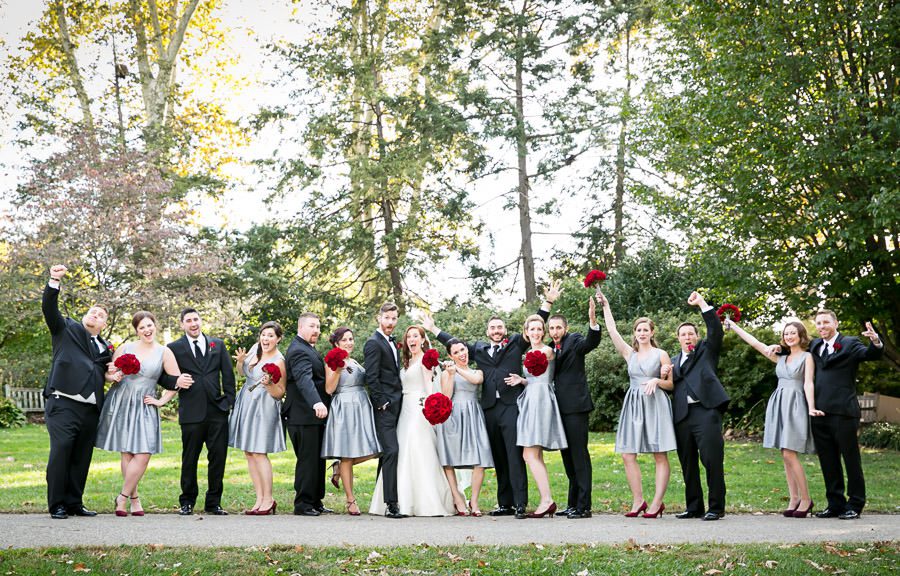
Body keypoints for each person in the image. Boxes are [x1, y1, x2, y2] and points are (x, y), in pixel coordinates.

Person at [424, 289, 552, 519]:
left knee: (514, 455)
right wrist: (434, 330)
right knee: (499, 456)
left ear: (505, 330)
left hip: (511, 407)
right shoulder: (479, 350)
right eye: (492, 328)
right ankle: (505, 503)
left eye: (499, 327)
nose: (496, 331)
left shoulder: (515, 343)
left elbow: (534, 325)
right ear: (487, 331)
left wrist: (548, 302)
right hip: (489, 409)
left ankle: (520, 503)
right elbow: (455, 345)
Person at [42, 264, 117, 519]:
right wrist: (54, 281)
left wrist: (111, 375)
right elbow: (49, 309)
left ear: (104, 325)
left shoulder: (105, 348)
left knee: (81, 456)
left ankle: (75, 502)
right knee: (61, 450)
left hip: (90, 409)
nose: (96, 314)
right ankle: (57, 504)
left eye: (101, 314)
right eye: (93, 311)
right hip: (63, 403)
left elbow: (101, 373)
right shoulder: (65, 329)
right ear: (85, 316)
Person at [725, 318, 820, 518]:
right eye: (786, 333)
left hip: (795, 405)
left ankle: (806, 499)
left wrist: (811, 407)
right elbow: (754, 343)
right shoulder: (780, 358)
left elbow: (808, 383)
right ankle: (793, 498)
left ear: (801, 335)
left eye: (793, 332)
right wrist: (733, 326)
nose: (789, 336)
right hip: (779, 403)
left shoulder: (807, 357)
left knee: (789, 453)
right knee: (784, 455)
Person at [597, 293, 675, 519]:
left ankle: (657, 503)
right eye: (638, 330)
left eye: (645, 330)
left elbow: (670, 385)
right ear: (634, 334)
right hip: (633, 405)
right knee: (627, 454)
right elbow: (612, 331)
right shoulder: (628, 353)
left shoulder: (662, 354)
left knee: (659, 455)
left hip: (655, 405)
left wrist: (656, 381)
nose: (642, 333)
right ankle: (638, 500)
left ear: (652, 333)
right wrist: (606, 306)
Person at [96, 311, 181, 516]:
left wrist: (161, 401)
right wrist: (113, 376)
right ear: (137, 330)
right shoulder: (126, 348)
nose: (147, 330)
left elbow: (176, 381)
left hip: (145, 403)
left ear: (155, 326)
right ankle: (133, 499)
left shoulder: (164, 352)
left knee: (143, 454)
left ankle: (122, 497)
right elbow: (109, 374)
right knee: (127, 452)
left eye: (149, 325)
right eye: (142, 327)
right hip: (122, 401)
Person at [369, 325, 455, 516]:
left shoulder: (426, 359)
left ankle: (425, 501)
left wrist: (429, 403)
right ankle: (401, 499)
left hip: (418, 408)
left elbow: (428, 385)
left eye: (416, 336)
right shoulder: (407, 361)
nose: (411, 339)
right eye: (409, 337)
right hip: (404, 410)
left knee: (416, 448)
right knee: (402, 450)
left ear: (423, 340)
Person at [806, 310, 883, 520]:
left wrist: (875, 340)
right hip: (819, 412)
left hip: (844, 412)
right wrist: (780, 349)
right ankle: (835, 504)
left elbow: (870, 355)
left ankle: (855, 504)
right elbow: (796, 352)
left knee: (851, 459)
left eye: (825, 322)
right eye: (818, 323)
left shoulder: (850, 343)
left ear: (836, 323)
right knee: (828, 461)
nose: (821, 326)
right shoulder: (815, 346)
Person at [165, 307, 235, 516]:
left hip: (217, 411)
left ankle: (213, 502)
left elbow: (228, 375)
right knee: (190, 459)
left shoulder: (217, 344)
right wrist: (176, 380)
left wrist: (229, 401)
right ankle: (187, 501)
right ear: (182, 324)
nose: (193, 323)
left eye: (196, 319)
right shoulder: (173, 348)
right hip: (191, 412)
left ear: (200, 321)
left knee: (218, 458)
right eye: (188, 320)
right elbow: (162, 377)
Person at [665, 291, 729, 521]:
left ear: (697, 336)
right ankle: (694, 507)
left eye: (691, 333)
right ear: (678, 339)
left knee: (712, 460)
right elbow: (669, 386)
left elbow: (715, 329)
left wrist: (702, 303)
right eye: (683, 334)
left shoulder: (706, 351)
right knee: (688, 463)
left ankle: (716, 507)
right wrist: (663, 377)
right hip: (682, 416)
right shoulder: (672, 362)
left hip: (706, 412)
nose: (687, 337)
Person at [544, 291, 602, 519]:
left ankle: (584, 506)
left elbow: (591, 342)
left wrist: (593, 321)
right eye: (552, 328)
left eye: (559, 328)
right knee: (567, 458)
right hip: (558, 410)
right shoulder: (549, 349)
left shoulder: (575, 340)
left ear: (565, 329)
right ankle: (572, 503)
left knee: (579, 456)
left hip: (576, 408)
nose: (555, 332)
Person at [503, 314, 567, 518]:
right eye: (532, 329)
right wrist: (521, 380)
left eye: (540, 329)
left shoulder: (546, 351)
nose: (536, 332)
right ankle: (545, 499)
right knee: (534, 453)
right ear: (526, 332)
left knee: (528, 454)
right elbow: (533, 377)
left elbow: (546, 366)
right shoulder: (530, 352)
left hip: (541, 400)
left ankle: (547, 500)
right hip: (530, 397)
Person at [321, 327, 381, 516]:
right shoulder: (332, 360)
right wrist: (337, 371)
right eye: (345, 340)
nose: (349, 342)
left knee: (374, 448)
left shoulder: (353, 360)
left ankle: (339, 466)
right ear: (336, 343)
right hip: (344, 407)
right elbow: (329, 389)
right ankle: (350, 499)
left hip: (362, 405)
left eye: (351, 339)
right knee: (347, 453)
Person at [229, 321, 287, 516]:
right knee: (249, 452)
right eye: (263, 335)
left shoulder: (279, 361)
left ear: (278, 339)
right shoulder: (255, 350)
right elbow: (243, 373)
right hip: (247, 401)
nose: (266, 339)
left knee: (259, 451)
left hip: (264, 405)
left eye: (270, 336)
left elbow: (280, 393)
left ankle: (269, 499)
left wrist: (269, 383)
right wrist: (240, 361)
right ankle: (259, 498)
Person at [435, 338, 494, 516]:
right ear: (450, 355)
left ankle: (474, 501)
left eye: (463, 350)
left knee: (481, 458)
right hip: (453, 416)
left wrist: (456, 368)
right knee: (449, 460)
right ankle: (458, 499)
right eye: (456, 352)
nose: (462, 354)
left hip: (473, 415)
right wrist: (451, 374)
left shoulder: (477, 371)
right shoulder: (448, 373)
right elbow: (446, 396)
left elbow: (476, 381)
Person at [284, 312, 331, 516]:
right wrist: (317, 402)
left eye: (318, 327)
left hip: (313, 416)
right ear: (300, 327)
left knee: (317, 460)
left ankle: (315, 500)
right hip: (302, 415)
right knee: (307, 460)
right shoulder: (298, 351)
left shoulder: (308, 348)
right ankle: (303, 503)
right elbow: (304, 380)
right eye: (312, 326)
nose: (316, 330)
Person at [364, 302, 405, 518]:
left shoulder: (390, 342)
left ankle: (380, 501)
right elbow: (371, 377)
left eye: (393, 319)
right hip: (385, 408)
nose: (390, 322)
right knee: (391, 451)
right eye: (387, 318)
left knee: (387, 454)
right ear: (379, 318)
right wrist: (382, 403)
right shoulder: (373, 343)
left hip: (399, 405)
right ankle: (391, 504)